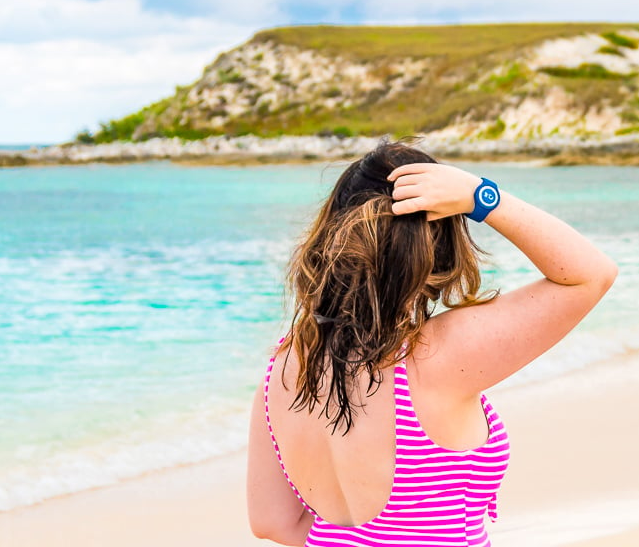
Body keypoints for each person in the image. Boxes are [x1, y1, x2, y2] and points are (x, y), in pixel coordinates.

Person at [246, 137, 618, 546]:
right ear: (439, 244)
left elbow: (273, 523)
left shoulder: (284, 367)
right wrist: (480, 197)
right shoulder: (434, 355)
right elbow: (589, 274)